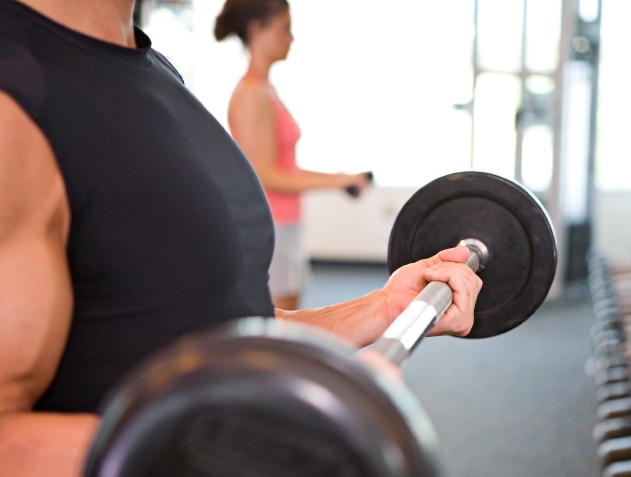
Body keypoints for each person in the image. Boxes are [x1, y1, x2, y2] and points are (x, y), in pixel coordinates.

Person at [0, 1, 482, 476]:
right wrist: (242, 445)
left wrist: (380, 309)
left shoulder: (151, 71)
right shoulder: (15, 102)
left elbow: (234, 331)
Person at [214, 0, 371, 311]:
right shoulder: (249, 94)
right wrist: (338, 181)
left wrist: (341, 179)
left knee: (289, 318)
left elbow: (284, 166)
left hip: (287, 223)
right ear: (256, 30)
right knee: (279, 327)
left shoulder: (265, 89)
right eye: (285, 28)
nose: (291, 38)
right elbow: (265, 174)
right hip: (271, 225)